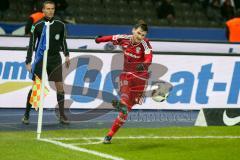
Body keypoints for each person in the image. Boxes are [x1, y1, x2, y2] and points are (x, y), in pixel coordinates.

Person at [95, 20, 153, 144]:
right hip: (126, 75)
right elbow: (111, 37)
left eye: (143, 35)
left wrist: (144, 65)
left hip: (140, 79)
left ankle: (110, 134)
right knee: (125, 100)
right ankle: (122, 103)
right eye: (138, 33)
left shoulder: (145, 44)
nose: (140, 37)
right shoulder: (124, 38)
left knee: (125, 111)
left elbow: (149, 58)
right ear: (133, 30)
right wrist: (98, 40)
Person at [22, 1, 70, 124]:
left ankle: (62, 115)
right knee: (36, 87)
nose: (50, 11)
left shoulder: (60, 24)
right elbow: (32, 44)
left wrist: (66, 55)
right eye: (48, 9)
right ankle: (26, 114)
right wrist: (28, 60)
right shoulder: (37, 25)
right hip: (41, 59)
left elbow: (63, 42)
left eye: (52, 9)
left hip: (55, 59)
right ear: (43, 10)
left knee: (60, 86)